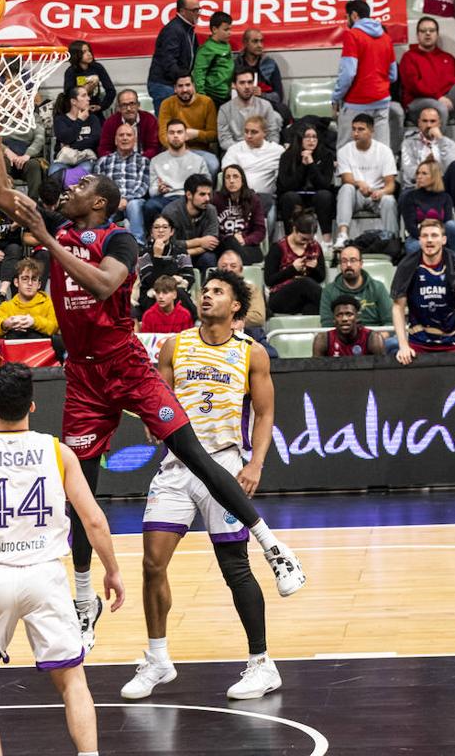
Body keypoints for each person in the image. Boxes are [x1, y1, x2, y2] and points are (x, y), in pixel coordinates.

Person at [0, 139, 306, 652]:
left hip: (126, 362)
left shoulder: (120, 241)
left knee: (193, 455)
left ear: (100, 202)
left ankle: (273, 546)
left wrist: (46, 239)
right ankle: (85, 598)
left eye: (82, 186)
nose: (71, 189)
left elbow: (100, 285)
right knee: (79, 489)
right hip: (85, 377)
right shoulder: (61, 228)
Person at [0, 364, 108, 755]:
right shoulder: (58, 451)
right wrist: (112, 571)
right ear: (32, 405)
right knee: (73, 682)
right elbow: (93, 519)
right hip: (46, 576)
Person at [124, 271, 279, 700]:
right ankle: (157, 659)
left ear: (235, 307)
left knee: (235, 567)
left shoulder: (253, 353)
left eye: (217, 292)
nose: (206, 296)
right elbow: (160, 399)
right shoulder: (175, 345)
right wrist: (153, 426)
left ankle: (261, 663)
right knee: (152, 563)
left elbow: (264, 414)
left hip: (225, 464)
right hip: (176, 466)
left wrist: (256, 465)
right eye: (204, 290)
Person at [391, 219, 455, 364]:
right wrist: (403, 346)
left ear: (444, 239)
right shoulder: (406, 266)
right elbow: (398, 307)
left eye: (434, 235)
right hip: (418, 345)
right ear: (419, 240)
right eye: (425, 236)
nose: (429, 240)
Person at [399, 16, 455, 142]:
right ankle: (436, 149)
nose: (428, 33)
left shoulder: (448, 58)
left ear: (437, 35)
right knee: (439, 108)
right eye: (423, 31)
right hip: (418, 103)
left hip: (445, 102)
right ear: (417, 35)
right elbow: (413, 85)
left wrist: (444, 98)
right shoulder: (409, 57)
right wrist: (437, 96)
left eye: (432, 31)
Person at [332, 0, 396, 148]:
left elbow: (348, 73)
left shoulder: (352, 35)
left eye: (346, 16)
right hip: (382, 101)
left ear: (354, 15)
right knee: (381, 150)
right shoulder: (386, 38)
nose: (346, 20)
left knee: (345, 149)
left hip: (356, 101)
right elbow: (393, 75)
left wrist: (336, 97)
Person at [400, 106, 455, 233]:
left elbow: (451, 168)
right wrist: (427, 167)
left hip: (441, 186)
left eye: (432, 121)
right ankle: (409, 233)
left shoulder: (448, 144)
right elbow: (410, 173)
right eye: (425, 121)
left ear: (439, 123)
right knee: (404, 196)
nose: (429, 125)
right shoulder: (408, 143)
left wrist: (440, 140)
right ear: (419, 123)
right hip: (417, 186)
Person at [334, 113, 398, 247]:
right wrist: (359, 183)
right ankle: (343, 234)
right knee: (346, 188)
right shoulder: (344, 151)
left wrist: (381, 192)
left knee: (389, 199)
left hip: (376, 195)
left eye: (361, 129)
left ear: (371, 130)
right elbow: (346, 178)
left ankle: (392, 240)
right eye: (354, 129)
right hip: (356, 195)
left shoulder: (384, 151)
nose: (356, 133)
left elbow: (391, 185)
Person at [144, 119, 209, 232]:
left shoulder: (198, 160)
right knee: (150, 205)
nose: (175, 136)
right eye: (172, 132)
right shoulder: (156, 160)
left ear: (186, 136)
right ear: (167, 136)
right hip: (166, 198)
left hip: (188, 198)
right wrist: (159, 190)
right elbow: (152, 191)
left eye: (179, 132)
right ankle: (152, 239)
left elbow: (207, 185)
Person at [276, 123, 336, 241]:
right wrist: (303, 166)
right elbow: (287, 185)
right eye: (307, 137)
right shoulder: (287, 156)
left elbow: (324, 184)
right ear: (299, 138)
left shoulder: (326, 155)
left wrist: (312, 164)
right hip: (294, 194)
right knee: (289, 197)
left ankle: (326, 240)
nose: (311, 140)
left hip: (316, 196)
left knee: (325, 196)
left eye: (314, 137)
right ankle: (291, 239)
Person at [220, 116, 284, 224]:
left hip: (264, 198)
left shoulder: (277, 151)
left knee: (271, 219)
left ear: (265, 133)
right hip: (238, 197)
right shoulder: (234, 149)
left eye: (254, 132)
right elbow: (228, 174)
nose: (248, 136)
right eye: (246, 131)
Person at [157, 74, 219, 178]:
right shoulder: (167, 104)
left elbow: (213, 135)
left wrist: (197, 134)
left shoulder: (207, 102)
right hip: (173, 150)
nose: (184, 89)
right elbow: (163, 135)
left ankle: (205, 193)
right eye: (180, 86)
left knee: (213, 165)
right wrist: (178, 148)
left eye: (187, 85)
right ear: (175, 89)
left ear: (194, 86)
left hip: (200, 151)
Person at [95, 123, 150, 243]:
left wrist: (125, 199)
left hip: (133, 200)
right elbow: (99, 186)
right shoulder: (103, 161)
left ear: (134, 140)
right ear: (115, 140)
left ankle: (138, 245)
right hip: (110, 201)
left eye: (129, 135)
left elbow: (142, 186)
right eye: (121, 135)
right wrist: (115, 200)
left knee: (134, 205)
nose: (125, 138)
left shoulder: (143, 161)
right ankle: (102, 243)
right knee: (102, 207)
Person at [146, 0, 201, 114]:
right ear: (182, 11)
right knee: (168, 125)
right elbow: (168, 60)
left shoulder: (188, 29)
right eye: (194, 10)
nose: (198, 13)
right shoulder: (173, 30)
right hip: (165, 84)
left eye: (199, 10)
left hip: (174, 84)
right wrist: (183, 81)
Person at [319, 244, 393, 327]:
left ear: (361, 264)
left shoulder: (378, 288)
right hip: (342, 336)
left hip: (374, 335)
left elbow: (389, 322)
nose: (348, 265)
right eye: (344, 261)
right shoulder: (329, 291)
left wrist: (376, 338)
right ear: (340, 265)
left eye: (353, 260)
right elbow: (327, 325)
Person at [399, 158, 455, 255]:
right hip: (418, 237)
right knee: (415, 247)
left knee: (452, 225)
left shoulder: (445, 197)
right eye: (418, 173)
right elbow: (410, 226)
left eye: (424, 173)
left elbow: (446, 224)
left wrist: (435, 238)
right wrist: (426, 238)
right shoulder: (410, 196)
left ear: (434, 176)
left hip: (439, 236)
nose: (419, 177)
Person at [265, 211, 325, 315]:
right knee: (304, 282)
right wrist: (292, 269)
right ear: (294, 230)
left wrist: (314, 269)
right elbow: (269, 280)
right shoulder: (278, 248)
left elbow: (321, 277)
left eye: (310, 240)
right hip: (281, 297)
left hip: (306, 298)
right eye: (303, 239)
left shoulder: (315, 247)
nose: (306, 244)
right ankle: (333, 305)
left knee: (311, 309)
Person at [136, 215, 196, 316]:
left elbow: (189, 277)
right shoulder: (144, 254)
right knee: (159, 296)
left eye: (165, 227)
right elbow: (150, 281)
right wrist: (157, 257)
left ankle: (192, 323)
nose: (161, 230)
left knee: (179, 293)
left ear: (171, 231)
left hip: (176, 292)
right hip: (151, 295)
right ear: (151, 232)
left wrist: (170, 286)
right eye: (156, 227)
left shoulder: (180, 251)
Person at [0, 258, 61, 345]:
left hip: (42, 352)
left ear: (39, 284)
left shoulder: (48, 303)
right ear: (16, 282)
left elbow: (54, 327)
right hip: (14, 352)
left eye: (34, 279)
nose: (29, 283)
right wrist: (5, 324)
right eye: (25, 279)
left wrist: (34, 322)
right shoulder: (6, 306)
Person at [161, 173, 221, 272]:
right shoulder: (171, 212)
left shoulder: (211, 210)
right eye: (202, 194)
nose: (207, 199)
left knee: (209, 258)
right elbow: (169, 245)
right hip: (175, 257)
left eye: (209, 194)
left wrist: (186, 249)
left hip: (199, 256)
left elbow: (211, 243)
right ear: (189, 195)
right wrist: (200, 242)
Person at [218, 67, 283, 153]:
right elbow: (224, 140)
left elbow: (273, 134)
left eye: (250, 82)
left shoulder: (265, 105)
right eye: (242, 83)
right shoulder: (224, 109)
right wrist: (245, 151)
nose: (247, 86)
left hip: (262, 151)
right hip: (237, 152)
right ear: (234, 85)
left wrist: (263, 150)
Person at [212, 164, 266, 264]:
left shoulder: (253, 199)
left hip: (247, 246)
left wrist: (245, 240)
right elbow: (213, 230)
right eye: (227, 177)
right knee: (230, 240)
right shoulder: (216, 200)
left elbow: (260, 230)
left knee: (256, 254)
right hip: (224, 247)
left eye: (235, 176)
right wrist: (230, 239)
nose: (231, 181)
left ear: (243, 180)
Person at [51, 87, 102, 180]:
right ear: (74, 101)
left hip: (86, 159)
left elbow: (95, 140)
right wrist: (80, 120)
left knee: (86, 169)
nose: (88, 99)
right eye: (84, 96)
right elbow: (65, 138)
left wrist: (70, 145)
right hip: (64, 160)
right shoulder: (60, 120)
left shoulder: (93, 119)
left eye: (88, 95)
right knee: (54, 171)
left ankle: (71, 193)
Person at [313, 295, 387, 357]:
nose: (344, 319)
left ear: (357, 317)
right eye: (339, 315)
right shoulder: (323, 339)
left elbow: (381, 371)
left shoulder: (373, 338)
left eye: (349, 314)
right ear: (334, 319)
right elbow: (316, 372)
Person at [193, 11, 235, 110]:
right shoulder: (207, 49)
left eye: (230, 29)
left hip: (227, 94)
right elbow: (199, 73)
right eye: (226, 29)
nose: (229, 32)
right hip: (213, 96)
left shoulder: (226, 45)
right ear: (215, 29)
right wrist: (202, 97)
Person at [63, 40, 116, 117]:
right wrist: (85, 89)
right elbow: (68, 96)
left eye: (89, 51)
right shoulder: (71, 71)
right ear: (76, 54)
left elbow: (111, 90)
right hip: (77, 113)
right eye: (84, 52)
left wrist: (101, 106)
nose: (89, 54)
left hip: (95, 111)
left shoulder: (97, 67)